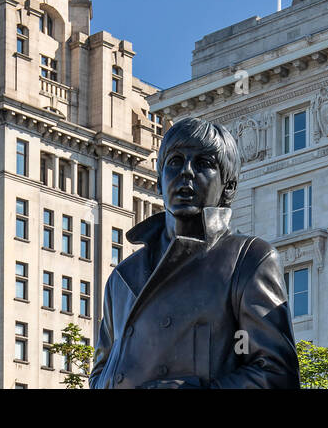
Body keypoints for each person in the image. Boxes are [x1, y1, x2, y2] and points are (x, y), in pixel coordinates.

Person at [89, 117, 299, 388]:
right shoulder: (123, 276)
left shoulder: (248, 259)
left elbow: (277, 373)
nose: (186, 172)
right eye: (175, 161)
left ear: (229, 187)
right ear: (159, 182)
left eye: (204, 164)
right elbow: (101, 369)